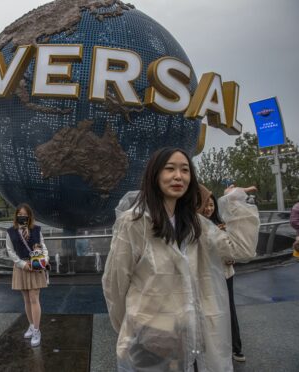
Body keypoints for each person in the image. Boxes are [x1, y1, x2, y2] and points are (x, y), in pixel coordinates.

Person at [102, 147, 259, 371]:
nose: (178, 176)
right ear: (154, 175)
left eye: (185, 170)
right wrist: (133, 326)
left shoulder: (197, 225)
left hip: (193, 342)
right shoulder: (134, 223)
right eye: (170, 169)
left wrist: (235, 201)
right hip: (150, 343)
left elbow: (242, 250)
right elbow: (115, 282)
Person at [200, 188, 251, 363]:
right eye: (205, 205)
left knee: (228, 309)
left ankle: (235, 348)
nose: (209, 208)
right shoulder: (193, 227)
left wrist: (230, 257)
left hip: (224, 275)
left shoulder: (220, 225)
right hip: (204, 278)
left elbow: (236, 249)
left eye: (211, 204)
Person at [6, 203, 49, 347]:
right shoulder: (11, 231)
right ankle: (31, 325)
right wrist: (22, 264)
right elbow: (10, 251)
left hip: (36, 268)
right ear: (16, 215)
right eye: (19, 214)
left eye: (24, 214)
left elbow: (43, 247)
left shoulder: (36, 230)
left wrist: (44, 262)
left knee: (34, 298)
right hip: (21, 267)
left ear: (29, 216)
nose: (21, 216)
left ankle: (37, 330)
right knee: (26, 299)